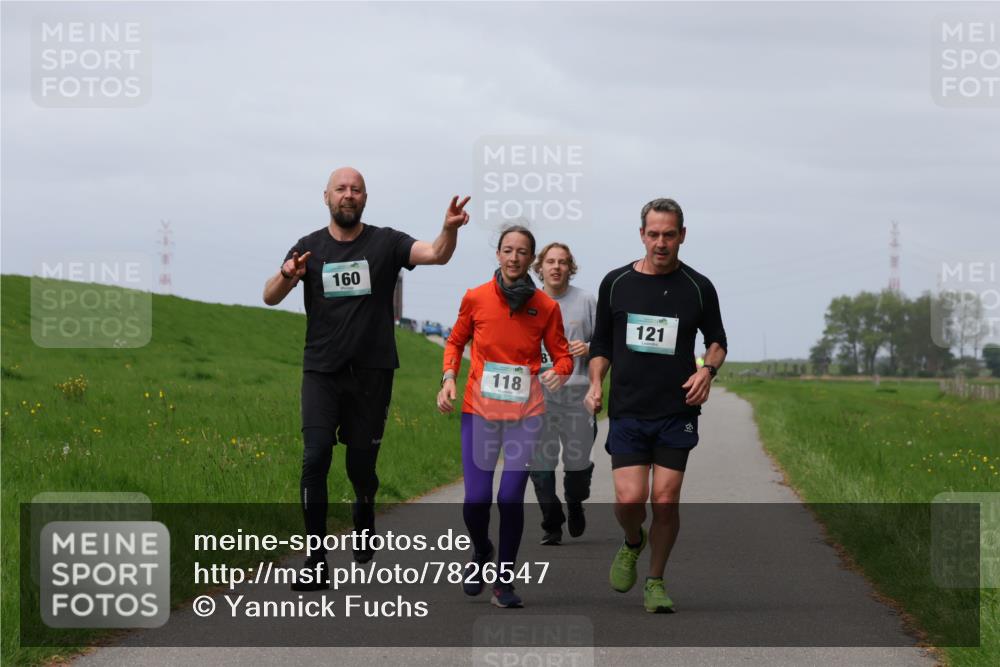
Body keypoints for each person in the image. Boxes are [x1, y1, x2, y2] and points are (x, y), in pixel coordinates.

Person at [263, 166, 470, 590]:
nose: (348, 195)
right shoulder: (308, 248)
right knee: (315, 456)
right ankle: (316, 558)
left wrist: (448, 229)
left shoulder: (385, 242)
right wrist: (288, 275)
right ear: (326, 197)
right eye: (341, 188)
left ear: (365, 198)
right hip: (321, 370)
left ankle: (364, 506)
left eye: (356, 189)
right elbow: (269, 296)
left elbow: (435, 254)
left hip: (372, 374)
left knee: (361, 467)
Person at [584, 198, 727, 613]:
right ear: (641, 234)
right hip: (628, 409)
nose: (660, 243)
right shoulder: (616, 282)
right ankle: (632, 541)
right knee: (629, 501)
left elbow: (716, 341)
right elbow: (601, 344)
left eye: (669, 235)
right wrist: (595, 384)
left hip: (675, 411)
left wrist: (707, 372)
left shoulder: (698, 287)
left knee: (665, 500)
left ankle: (655, 581)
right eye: (653, 234)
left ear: (682, 235)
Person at [437, 225, 572, 608]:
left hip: (525, 414)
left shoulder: (546, 307)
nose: (514, 258)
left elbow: (562, 355)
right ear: (498, 254)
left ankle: (504, 582)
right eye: (508, 250)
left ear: (532, 260)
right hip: (479, 412)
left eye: (522, 252)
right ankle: (481, 552)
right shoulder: (476, 298)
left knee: (510, 496)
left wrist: (558, 372)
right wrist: (449, 378)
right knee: (477, 499)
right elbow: (455, 340)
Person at [529, 243, 598, 546]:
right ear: (539, 267)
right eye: (550, 262)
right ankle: (552, 522)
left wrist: (590, 347)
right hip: (537, 396)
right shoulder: (527, 301)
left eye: (563, 262)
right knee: (541, 467)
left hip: (577, 393)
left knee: (577, 464)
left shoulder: (586, 301)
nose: (556, 267)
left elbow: (606, 345)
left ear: (571, 267)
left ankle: (575, 500)